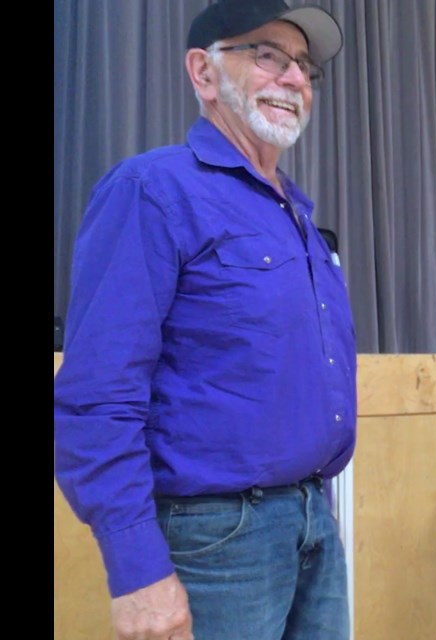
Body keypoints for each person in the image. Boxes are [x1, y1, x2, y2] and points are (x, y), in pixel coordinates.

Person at [53, 1, 356, 638]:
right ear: (204, 72)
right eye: (268, 55)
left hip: (313, 522)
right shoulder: (153, 191)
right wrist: (137, 572)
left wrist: (314, 514)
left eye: (303, 66)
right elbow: (97, 395)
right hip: (216, 542)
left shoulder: (295, 212)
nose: (295, 78)